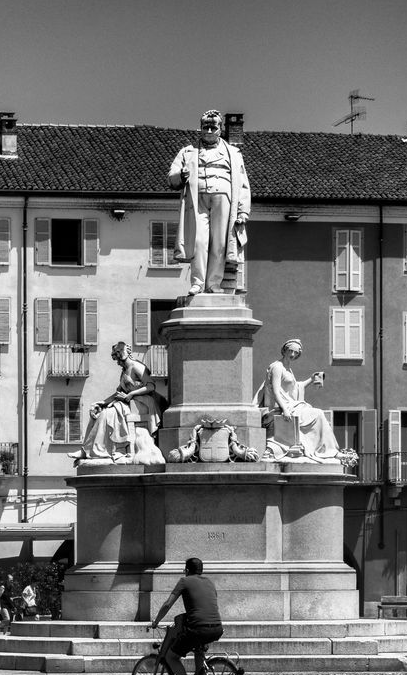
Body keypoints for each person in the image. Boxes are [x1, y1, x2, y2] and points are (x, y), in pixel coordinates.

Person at [168, 109, 251, 296]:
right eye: (206, 127)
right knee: (198, 241)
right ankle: (198, 282)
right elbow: (171, 178)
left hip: (224, 198)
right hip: (198, 198)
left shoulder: (234, 153)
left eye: (214, 127)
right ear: (200, 129)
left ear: (220, 128)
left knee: (220, 243)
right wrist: (181, 175)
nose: (210, 130)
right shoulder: (188, 152)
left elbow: (243, 183)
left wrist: (243, 211)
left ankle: (213, 283)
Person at [68, 341, 165, 465]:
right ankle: (88, 450)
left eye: (120, 351)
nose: (118, 356)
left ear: (127, 351)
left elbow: (151, 386)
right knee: (100, 412)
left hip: (143, 403)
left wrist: (131, 394)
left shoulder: (136, 366)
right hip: (130, 403)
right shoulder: (124, 371)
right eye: (116, 354)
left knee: (109, 413)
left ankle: (94, 450)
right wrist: (102, 402)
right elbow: (117, 393)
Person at [150, 557, 223, 675]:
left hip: (198, 628)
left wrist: (156, 621)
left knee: (171, 657)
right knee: (198, 650)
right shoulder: (210, 582)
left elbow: (167, 604)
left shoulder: (184, 581)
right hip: (216, 628)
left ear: (187, 570)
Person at [254, 338, 339, 463]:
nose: (293, 355)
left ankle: (329, 451)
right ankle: (328, 451)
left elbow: (296, 388)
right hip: (281, 407)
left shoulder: (288, 369)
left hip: (291, 405)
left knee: (318, 414)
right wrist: (285, 410)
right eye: (290, 351)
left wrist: (311, 379)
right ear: (285, 351)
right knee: (318, 414)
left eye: (296, 353)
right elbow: (275, 391)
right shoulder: (277, 367)